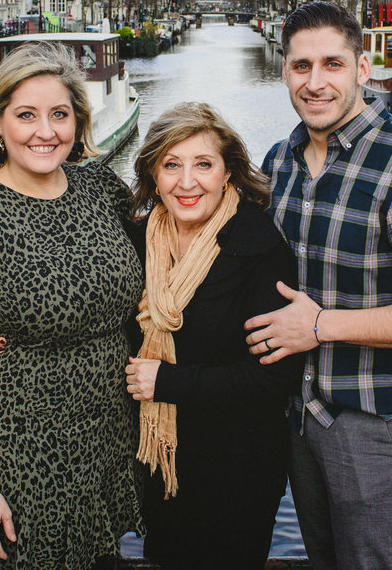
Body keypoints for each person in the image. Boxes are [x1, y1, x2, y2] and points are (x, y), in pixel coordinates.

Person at [243, 1, 392, 570]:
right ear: (285, 71)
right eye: (301, 67)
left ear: (362, 69)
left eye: (332, 64)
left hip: (374, 421)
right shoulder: (281, 162)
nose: (315, 83)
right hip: (299, 414)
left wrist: (319, 326)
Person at [0, 41, 143, 570]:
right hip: (29, 442)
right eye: (26, 115)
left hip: (108, 432)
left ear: (78, 121)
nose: (46, 131)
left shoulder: (99, 190)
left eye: (59, 114)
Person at [123, 102, 301, 570]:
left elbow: (272, 380)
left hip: (237, 471)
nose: (187, 182)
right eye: (171, 165)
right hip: (160, 463)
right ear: (152, 174)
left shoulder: (258, 247)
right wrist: (2, 337)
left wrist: (167, 383)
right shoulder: (138, 239)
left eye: (203, 164)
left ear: (228, 173)